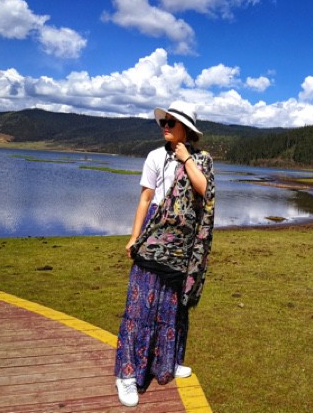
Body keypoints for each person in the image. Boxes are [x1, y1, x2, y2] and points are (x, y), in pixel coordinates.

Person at [114, 101, 215, 407]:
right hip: (154, 235)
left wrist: (187, 159)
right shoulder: (155, 157)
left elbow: (205, 191)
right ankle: (127, 375)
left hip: (181, 247)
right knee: (139, 306)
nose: (165, 127)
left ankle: (167, 362)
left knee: (172, 307)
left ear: (186, 129)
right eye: (164, 122)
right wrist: (134, 237)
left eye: (172, 123)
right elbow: (145, 199)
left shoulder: (202, 159)